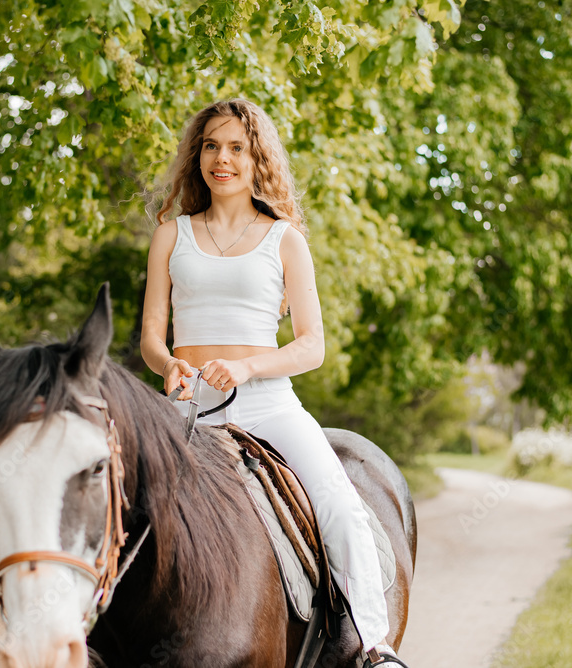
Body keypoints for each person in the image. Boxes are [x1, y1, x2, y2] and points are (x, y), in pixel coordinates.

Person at [140, 98, 402, 666]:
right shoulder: (171, 234)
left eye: (237, 147)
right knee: (127, 503)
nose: (222, 159)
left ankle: (373, 649)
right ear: (197, 155)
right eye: (211, 145)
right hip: (189, 410)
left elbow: (312, 345)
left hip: (267, 407)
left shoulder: (284, 239)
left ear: (258, 158)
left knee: (338, 504)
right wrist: (169, 366)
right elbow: (151, 337)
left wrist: (247, 366)